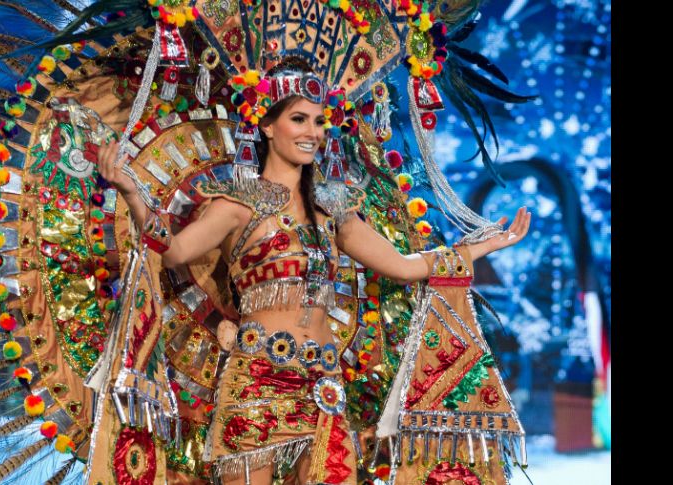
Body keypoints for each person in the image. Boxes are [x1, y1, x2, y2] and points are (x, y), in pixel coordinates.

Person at [96, 64, 531, 484]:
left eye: (320, 122)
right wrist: (133, 193)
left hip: (324, 387)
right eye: (299, 119)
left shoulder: (332, 212)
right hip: (256, 384)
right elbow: (172, 252)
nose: (313, 133)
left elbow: (404, 266)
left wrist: (482, 246)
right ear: (266, 127)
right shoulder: (235, 204)